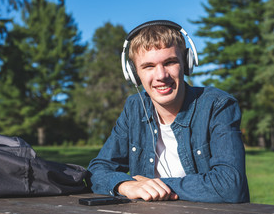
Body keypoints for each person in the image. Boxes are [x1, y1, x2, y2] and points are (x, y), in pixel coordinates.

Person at [88, 20, 250, 203]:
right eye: (148, 66)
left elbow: (229, 186)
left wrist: (154, 185)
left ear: (186, 63)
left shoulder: (217, 105)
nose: (161, 76)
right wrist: (125, 185)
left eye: (170, 62)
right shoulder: (134, 108)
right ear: (134, 74)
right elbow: (97, 170)